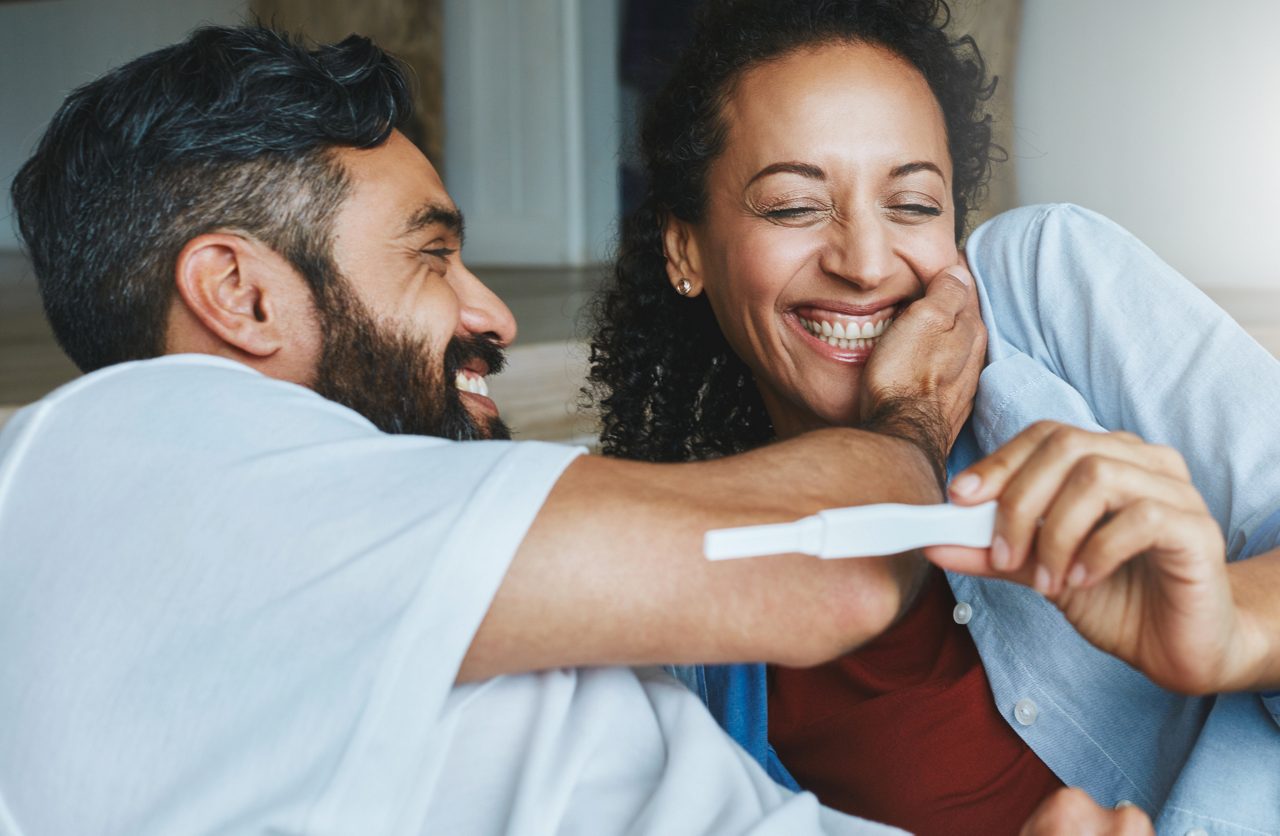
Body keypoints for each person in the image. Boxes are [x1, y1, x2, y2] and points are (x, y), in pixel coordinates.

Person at [0, 22, 1119, 836]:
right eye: (432, 255)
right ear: (240, 294)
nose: (488, 311)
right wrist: (912, 411)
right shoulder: (139, 455)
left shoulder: (296, 532)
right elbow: (829, 571)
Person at [586, 0, 1280, 833]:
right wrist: (902, 424)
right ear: (686, 250)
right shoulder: (695, 608)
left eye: (913, 205)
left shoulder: (1042, 287)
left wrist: (1231, 628)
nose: (868, 262)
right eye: (794, 207)